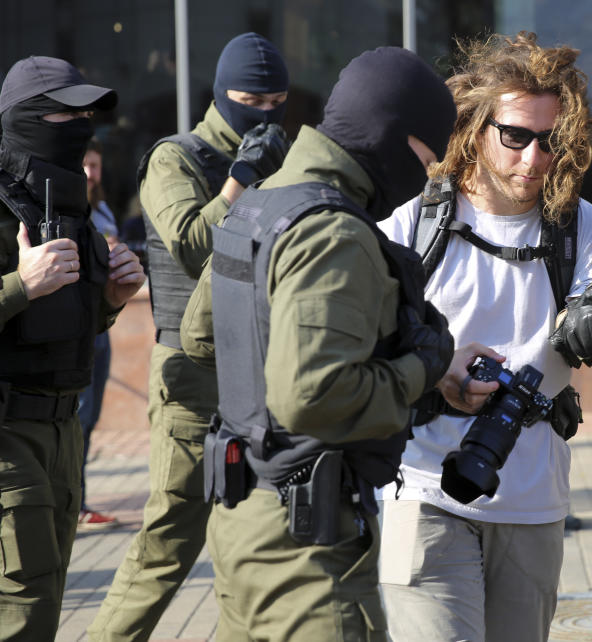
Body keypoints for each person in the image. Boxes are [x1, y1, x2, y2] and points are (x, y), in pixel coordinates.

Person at [376, 32, 592, 642]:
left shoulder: (579, 225)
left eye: (550, 140)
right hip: (420, 485)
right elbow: (362, 329)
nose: (533, 158)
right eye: (515, 135)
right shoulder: (416, 215)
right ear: (475, 126)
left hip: (533, 497)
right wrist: (438, 372)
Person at [179, 46, 458, 640]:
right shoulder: (335, 232)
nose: (425, 176)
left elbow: (200, 337)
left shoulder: (256, 203)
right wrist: (419, 370)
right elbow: (313, 396)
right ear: (392, 134)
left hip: (238, 524)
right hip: (305, 545)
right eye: (426, 157)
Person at [88, 32, 290, 641]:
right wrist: (241, 179)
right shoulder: (176, 158)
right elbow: (193, 244)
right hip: (192, 373)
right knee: (169, 542)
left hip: (264, 370)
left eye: (277, 100)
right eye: (250, 99)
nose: (265, 112)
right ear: (221, 95)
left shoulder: (287, 156)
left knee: (257, 545)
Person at [0, 55, 145, 641]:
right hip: (8, 436)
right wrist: (19, 284)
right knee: (22, 617)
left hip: (63, 440)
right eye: (69, 113)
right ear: (31, 118)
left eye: (90, 113)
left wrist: (110, 297)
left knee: (46, 608)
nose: (85, 124)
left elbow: (64, 326)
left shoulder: (66, 207)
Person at [77, 137, 121, 530]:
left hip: (102, 327)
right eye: (87, 165)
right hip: (79, 330)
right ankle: (74, 499)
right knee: (79, 416)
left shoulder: (102, 207)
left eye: (97, 165)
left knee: (90, 419)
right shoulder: (72, 211)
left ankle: (80, 500)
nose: (93, 173)